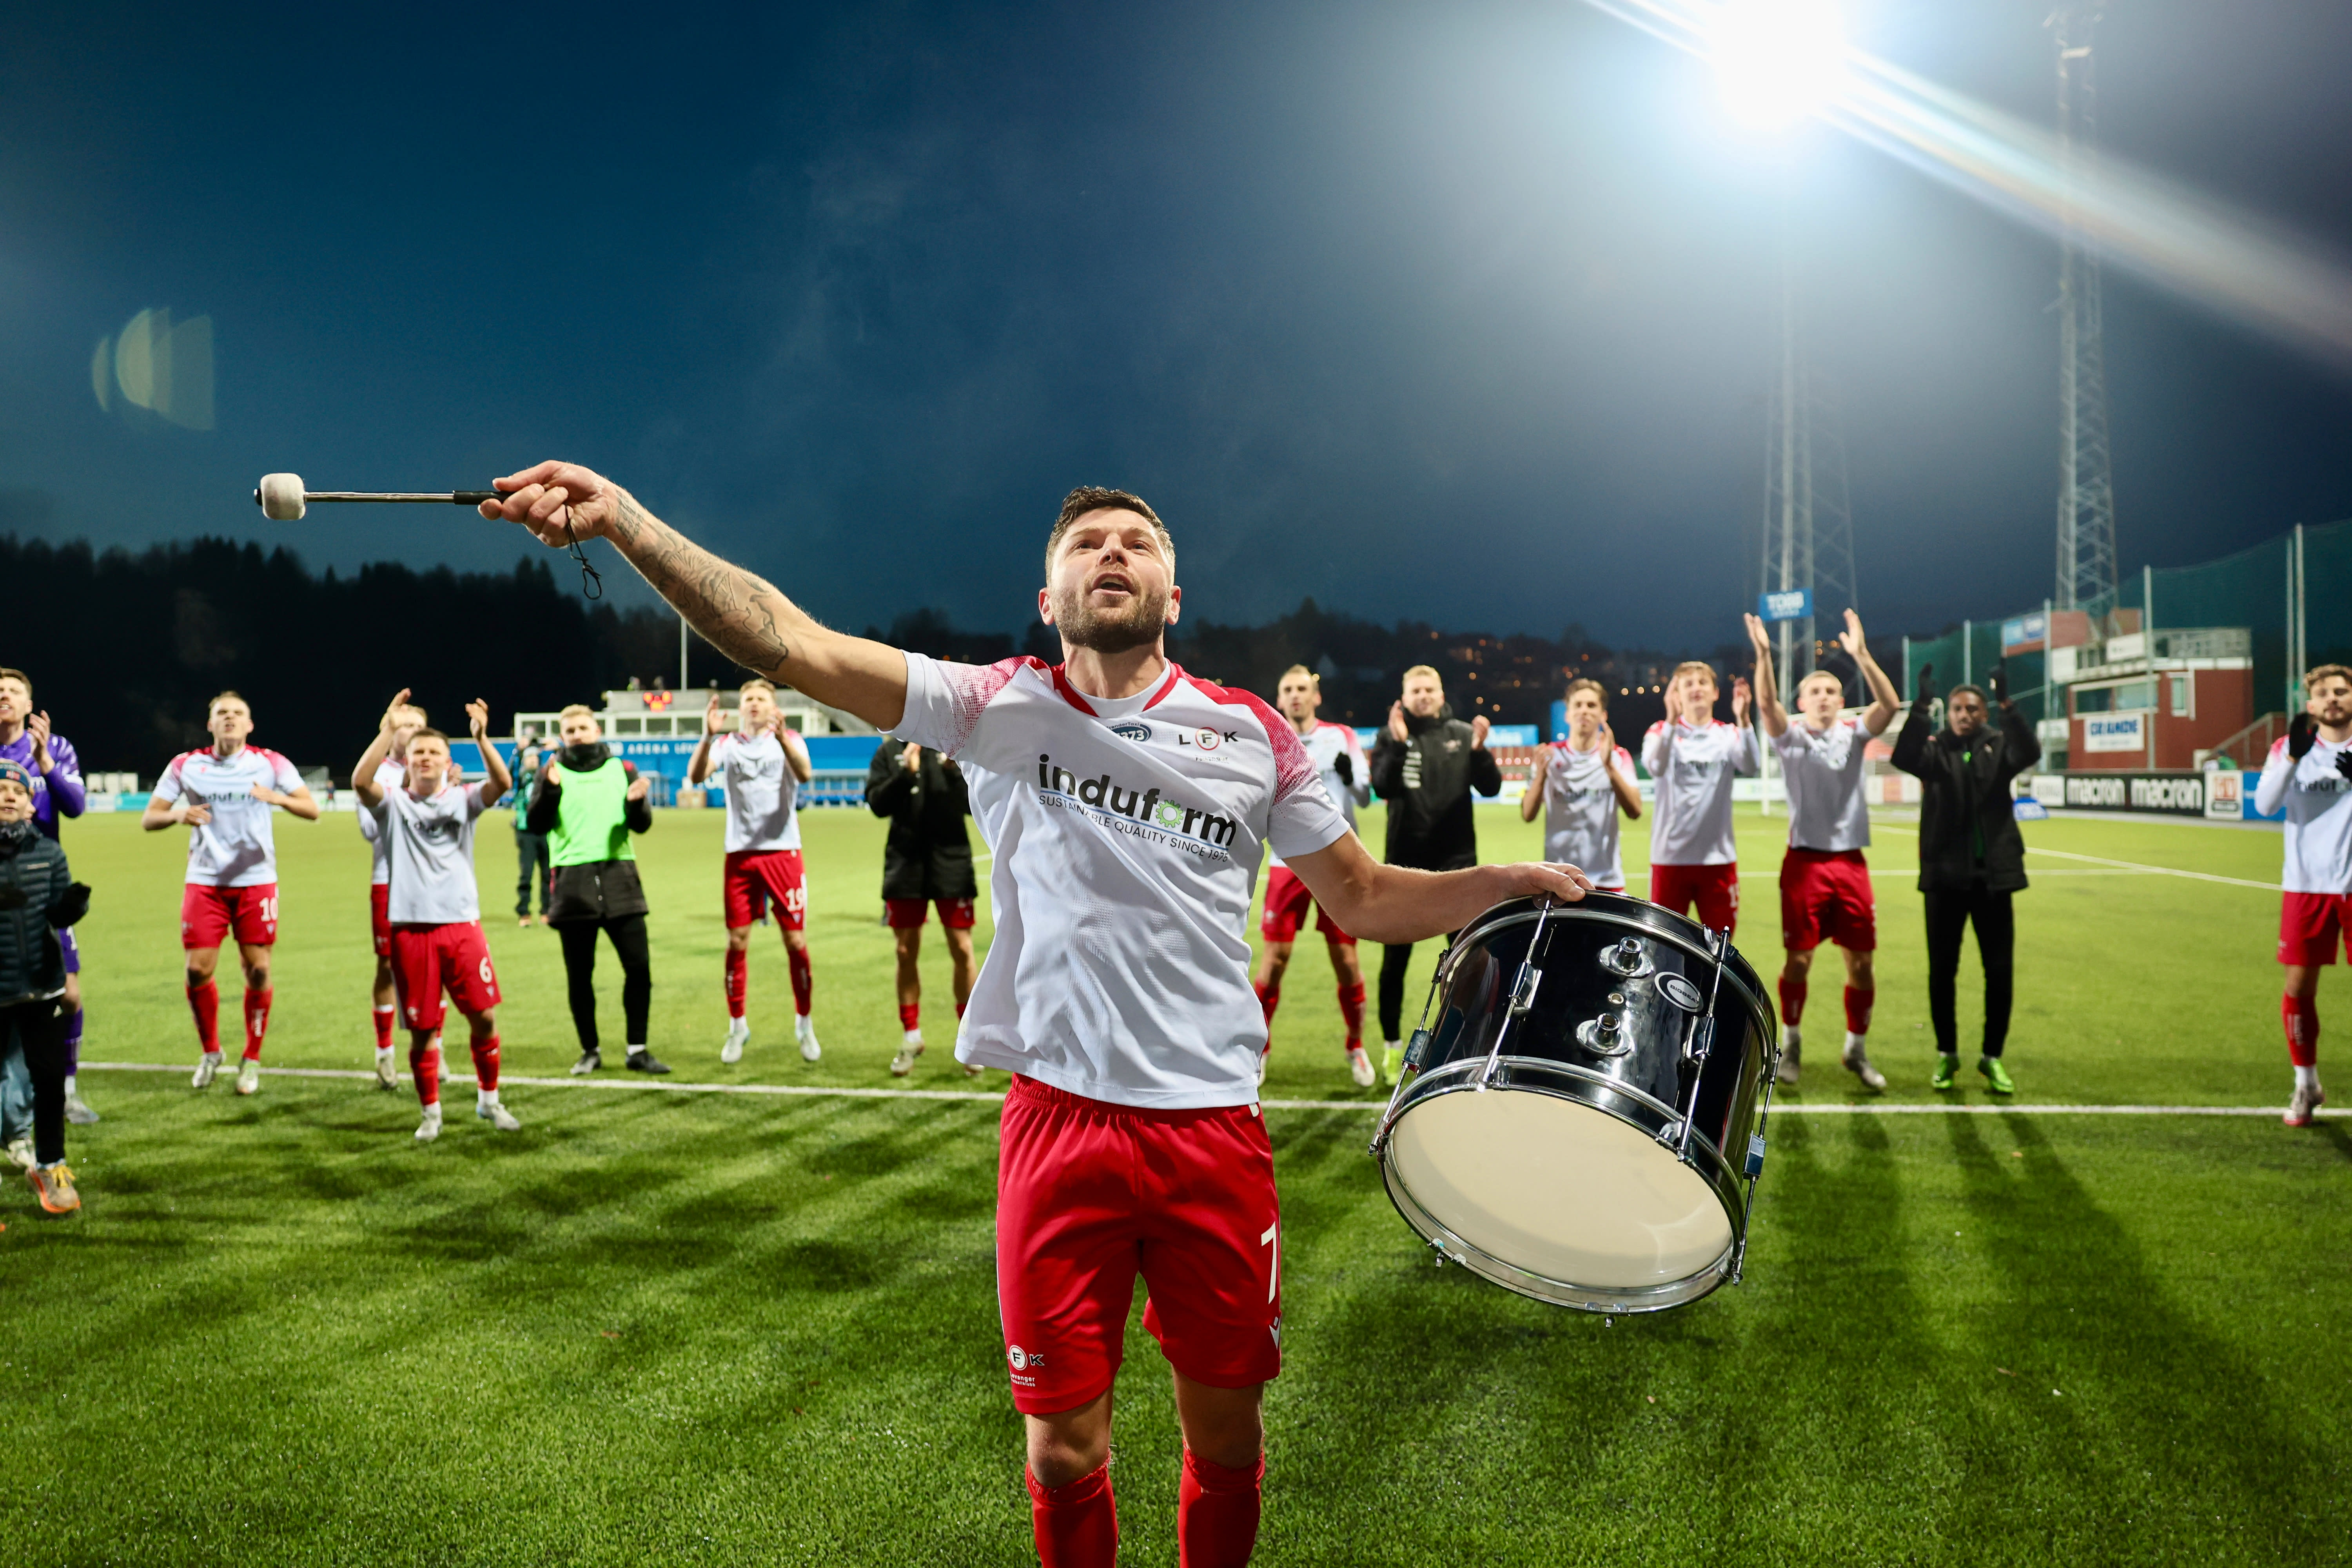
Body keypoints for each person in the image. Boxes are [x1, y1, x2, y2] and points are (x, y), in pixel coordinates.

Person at [480, 463, 1592, 1568]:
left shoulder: (1251, 730)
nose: (1113, 552)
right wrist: (627, 523)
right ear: (1048, 597)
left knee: (1229, 1440)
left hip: (1213, 1127)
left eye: (1137, 543)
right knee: (1062, 1451)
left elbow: (1362, 894)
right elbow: (795, 645)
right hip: (1060, 1127)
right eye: (1087, 543)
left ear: (1173, 595)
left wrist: (1500, 885)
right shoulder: (998, 706)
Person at [1744, 611, 1900, 1091]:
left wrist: (1861, 655)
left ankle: (1856, 1049)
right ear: (1802, 701)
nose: (1825, 697)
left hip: (1850, 861)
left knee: (1863, 963)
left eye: (1832, 690)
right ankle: (1791, 1045)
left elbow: (1890, 705)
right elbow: (1765, 702)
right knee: (1799, 961)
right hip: (1805, 862)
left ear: (1842, 700)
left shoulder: (1854, 733)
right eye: (1816, 691)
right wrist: (1764, 654)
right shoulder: (1790, 737)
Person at [354, 691, 520, 1142]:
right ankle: (431, 1113)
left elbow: (502, 783)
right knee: (424, 1031)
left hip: (462, 926)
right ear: (407, 762)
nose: (425, 758)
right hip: (411, 930)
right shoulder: (393, 804)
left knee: (483, 1017)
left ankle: (489, 1101)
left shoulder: (463, 800)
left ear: (448, 762)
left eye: (434, 752)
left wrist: (482, 739)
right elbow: (360, 781)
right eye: (418, 752)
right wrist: (388, 730)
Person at [144, 692, 320, 1094]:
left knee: (258, 970)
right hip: (205, 881)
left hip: (256, 881)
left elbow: (312, 809)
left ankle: (252, 1058)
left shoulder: (270, 763)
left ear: (249, 725)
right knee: (196, 970)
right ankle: (211, 1052)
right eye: (222, 713)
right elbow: (150, 817)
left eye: (238, 713)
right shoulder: (186, 765)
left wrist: (277, 798)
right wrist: (179, 814)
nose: (230, 718)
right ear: (210, 724)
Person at [1890, 661, 2040, 1094]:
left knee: (1999, 971)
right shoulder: (1935, 751)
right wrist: (1921, 707)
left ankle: (1992, 1057)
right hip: (1944, 881)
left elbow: (2029, 752)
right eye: (1956, 708)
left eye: (1972, 708)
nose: (1964, 715)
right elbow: (1903, 756)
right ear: (1948, 713)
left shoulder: (2000, 746)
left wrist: (2009, 703)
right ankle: (1948, 1053)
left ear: (1984, 713)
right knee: (1943, 972)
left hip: (1994, 880)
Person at [1367, 665, 1502, 1085]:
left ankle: (1467, 1045)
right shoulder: (1391, 735)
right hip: (1404, 869)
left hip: (1458, 868)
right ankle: (1392, 1046)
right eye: (1416, 690)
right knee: (1395, 963)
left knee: (1472, 962)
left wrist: (1479, 751)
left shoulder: (1463, 734)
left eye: (1430, 689)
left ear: (1442, 694)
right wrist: (1399, 745)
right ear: (1404, 696)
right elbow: (1382, 786)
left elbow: (1492, 788)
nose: (1423, 695)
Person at [528, 703, 668, 1075]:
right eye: (570, 731)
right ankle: (590, 1050)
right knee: (580, 977)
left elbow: (641, 825)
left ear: (597, 731)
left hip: (620, 880)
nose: (577, 736)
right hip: (573, 886)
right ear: (562, 736)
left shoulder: (622, 769)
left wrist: (636, 804)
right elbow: (536, 823)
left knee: (639, 969)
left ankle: (637, 1050)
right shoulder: (552, 771)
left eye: (583, 728)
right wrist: (551, 790)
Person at [1252, 666, 1374, 1087]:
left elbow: (1365, 797)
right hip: (1286, 863)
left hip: (1336, 864)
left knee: (1346, 961)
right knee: (1274, 961)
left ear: (1316, 697)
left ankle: (1356, 1046)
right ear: (1279, 699)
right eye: (1288, 689)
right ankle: (1260, 1049)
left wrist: (1350, 777)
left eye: (1303, 688)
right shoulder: (1268, 738)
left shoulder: (1342, 736)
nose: (1296, 695)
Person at [688, 680, 820, 1065]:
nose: (755, 704)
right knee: (737, 940)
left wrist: (781, 740)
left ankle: (804, 1022)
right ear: (742, 708)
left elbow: (805, 774)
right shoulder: (727, 744)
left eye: (762, 699)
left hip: (783, 854)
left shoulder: (790, 739)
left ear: (774, 707)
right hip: (741, 856)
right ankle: (738, 1025)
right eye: (749, 699)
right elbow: (696, 776)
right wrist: (706, 736)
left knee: (795, 941)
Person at [2254, 664, 2352, 1127]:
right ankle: (2306, 1084)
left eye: (2342, 691)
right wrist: (2294, 757)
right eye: (2324, 693)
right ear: (2311, 704)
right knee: (2298, 988)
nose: (2334, 698)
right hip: (2306, 887)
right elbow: (2265, 805)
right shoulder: (2288, 748)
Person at [0, 668, 95, 1124]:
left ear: (28, 704)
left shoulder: (55, 747)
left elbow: (75, 807)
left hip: (42, 886)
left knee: (69, 995)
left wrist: (45, 764)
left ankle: (68, 1091)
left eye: (13, 690)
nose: (4, 695)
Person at [0, 758, 89, 1213]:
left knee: (50, 1081)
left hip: (41, 986)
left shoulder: (50, 853)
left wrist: (71, 908)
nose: (9, 796)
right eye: (1, 790)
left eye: (18, 792)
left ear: (31, 805)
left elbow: (57, 917)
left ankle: (52, 1166)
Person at [865, 735, 980, 1077]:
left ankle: (969, 1039)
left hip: (951, 861)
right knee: (905, 951)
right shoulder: (890, 752)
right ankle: (911, 1036)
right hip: (905, 863)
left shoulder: (954, 748)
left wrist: (954, 771)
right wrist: (906, 774)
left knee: (962, 948)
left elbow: (975, 805)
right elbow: (877, 804)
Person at [1640, 659, 1759, 934]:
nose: (1696, 688)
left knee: (1720, 949)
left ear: (1715, 693)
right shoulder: (1660, 731)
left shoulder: (1728, 733)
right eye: (1688, 684)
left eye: (1703, 683)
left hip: (1718, 860)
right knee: (1664, 946)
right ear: (1676, 694)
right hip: (1670, 860)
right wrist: (1672, 720)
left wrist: (1744, 720)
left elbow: (1751, 766)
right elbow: (1655, 767)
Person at [355, 697, 427, 1089]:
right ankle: (385, 1053)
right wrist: (405, 791)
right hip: (389, 879)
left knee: (434, 965)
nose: (411, 731)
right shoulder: (377, 772)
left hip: (431, 883)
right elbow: (370, 831)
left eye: (417, 725)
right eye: (404, 725)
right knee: (387, 966)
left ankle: (434, 1047)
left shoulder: (436, 769)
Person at [1521, 675, 1641, 892]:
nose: (1584, 711)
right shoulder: (1549, 756)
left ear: (1603, 715)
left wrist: (1609, 767)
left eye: (1591, 705)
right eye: (1578, 705)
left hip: (1606, 880)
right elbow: (1528, 814)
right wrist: (1541, 777)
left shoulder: (1617, 756)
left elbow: (1635, 811)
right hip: (1559, 879)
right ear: (1567, 714)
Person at [514, 728, 553, 927]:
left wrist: (556, 748)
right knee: (526, 874)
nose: (533, 761)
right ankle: (524, 912)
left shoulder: (544, 777)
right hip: (526, 832)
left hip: (545, 831)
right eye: (530, 758)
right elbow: (512, 768)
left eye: (536, 758)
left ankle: (547, 911)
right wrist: (518, 751)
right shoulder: (519, 779)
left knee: (548, 874)